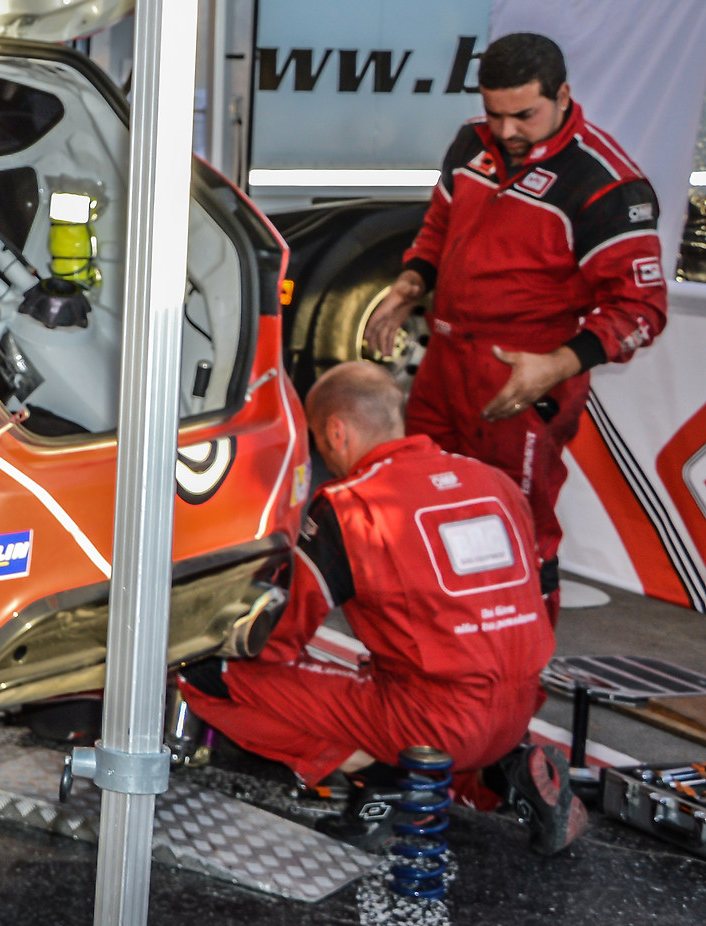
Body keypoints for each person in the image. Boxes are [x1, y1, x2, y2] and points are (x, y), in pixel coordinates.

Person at [179, 363, 584, 853]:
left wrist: (209, 621)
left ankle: (383, 781)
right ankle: (509, 770)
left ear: (335, 431)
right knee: (398, 671)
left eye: (320, 440)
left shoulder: (353, 507)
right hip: (520, 709)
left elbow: (279, 639)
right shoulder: (494, 483)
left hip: (431, 722)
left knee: (202, 673)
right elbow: (538, 594)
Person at [362, 32, 667, 618]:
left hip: (524, 375)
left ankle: (521, 673)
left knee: (513, 524)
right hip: (445, 361)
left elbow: (642, 309)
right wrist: (409, 285)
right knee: (422, 495)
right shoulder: (471, 143)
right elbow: (439, 225)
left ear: (563, 95)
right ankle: (436, 631)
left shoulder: (606, 182)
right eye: (494, 113)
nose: (506, 132)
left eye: (524, 115)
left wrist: (557, 364)